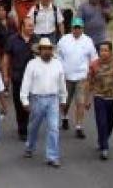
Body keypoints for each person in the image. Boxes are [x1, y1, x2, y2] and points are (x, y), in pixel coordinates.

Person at [21, 37, 68, 167]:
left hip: (53, 99)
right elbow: (26, 83)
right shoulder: (32, 64)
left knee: (53, 128)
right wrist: (24, 100)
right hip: (37, 99)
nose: (47, 51)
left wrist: (63, 98)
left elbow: (61, 82)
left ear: (52, 50)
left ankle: (52, 156)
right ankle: (30, 147)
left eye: (49, 49)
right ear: (39, 50)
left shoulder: (58, 64)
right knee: (34, 127)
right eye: (44, 49)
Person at [85, 40, 113, 160]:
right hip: (99, 97)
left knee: (110, 123)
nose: (103, 53)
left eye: (105, 50)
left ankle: (102, 139)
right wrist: (88, 99)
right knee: (101, 122)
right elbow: (89, 82)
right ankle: (104, 147)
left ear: (110, 52)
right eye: (101, 50)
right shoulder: (94, 65)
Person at [57, 17, 98, 138]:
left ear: (82, 29)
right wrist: (60, 70)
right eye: (75, 27)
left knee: (80, 102)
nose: (77, 30)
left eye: (79, 28)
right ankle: (64, 117)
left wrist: (93, 72)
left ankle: (79, 127)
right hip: (66, 76)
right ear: (71, 28)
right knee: (65, 102)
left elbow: (94, 58)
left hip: (82, 77)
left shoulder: (88, 41)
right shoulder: (64, 40)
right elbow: (58, 55)